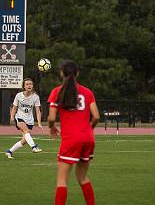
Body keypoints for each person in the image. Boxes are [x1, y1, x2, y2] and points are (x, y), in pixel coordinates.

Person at [47, 60, 100, 205]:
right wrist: (89, 129)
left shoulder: (57, 91)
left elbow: (51, 117)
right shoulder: (87, 92)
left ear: (61, 73)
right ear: (77, 73)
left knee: (62, 180)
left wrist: (51, 126)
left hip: (71, 139)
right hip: (88, 138)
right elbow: (96, 116)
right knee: (82, 177)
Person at [5, 78, 43, 158]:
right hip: (19, 117)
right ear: (24, 86)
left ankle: (9, 151)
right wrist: (12, 116)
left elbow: (38, 111)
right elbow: (14, 107)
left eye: (31, 84)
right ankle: (34, 147)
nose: (29, 85)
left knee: (24, 140)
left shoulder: (35, 97)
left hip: (30, 121)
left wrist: (39, 123)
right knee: (26, 131)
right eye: (27, 84)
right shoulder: (19, 95)